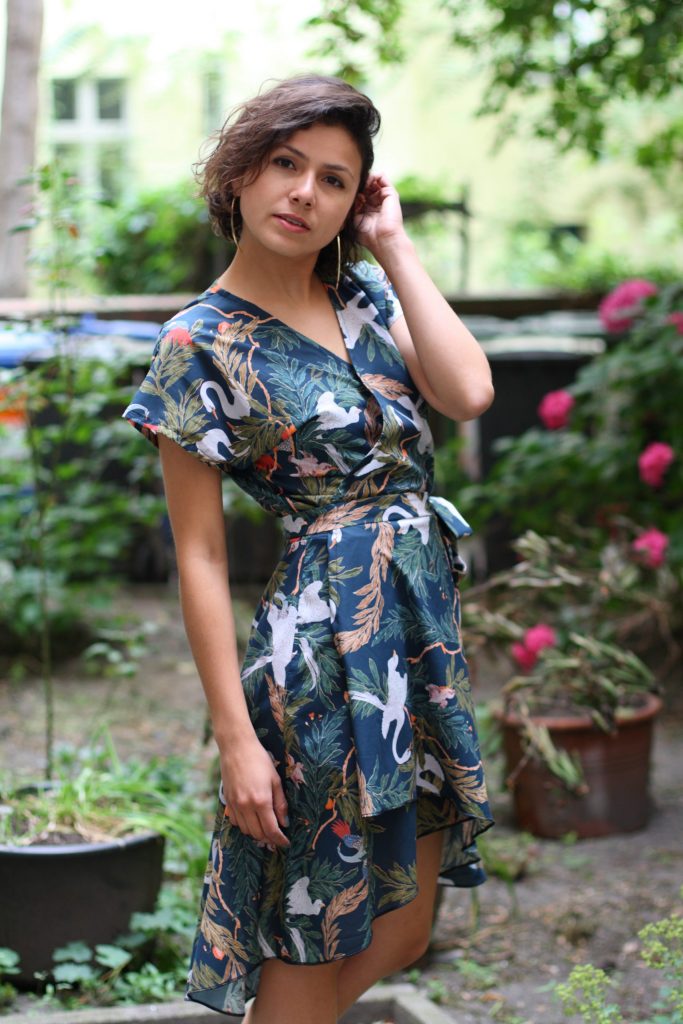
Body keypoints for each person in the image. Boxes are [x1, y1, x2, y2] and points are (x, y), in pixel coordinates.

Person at [122, 73, 495, 1024]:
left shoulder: (360, 293)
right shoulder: (198, 344)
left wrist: (392, 244)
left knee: (402, 929)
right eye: (286, 164)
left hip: (416, 639)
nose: (304, 193)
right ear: (239, 173)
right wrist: (235, 741)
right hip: (320, 655)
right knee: (316, 923)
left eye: (334, 179)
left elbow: (467, 392)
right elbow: (201, 557)